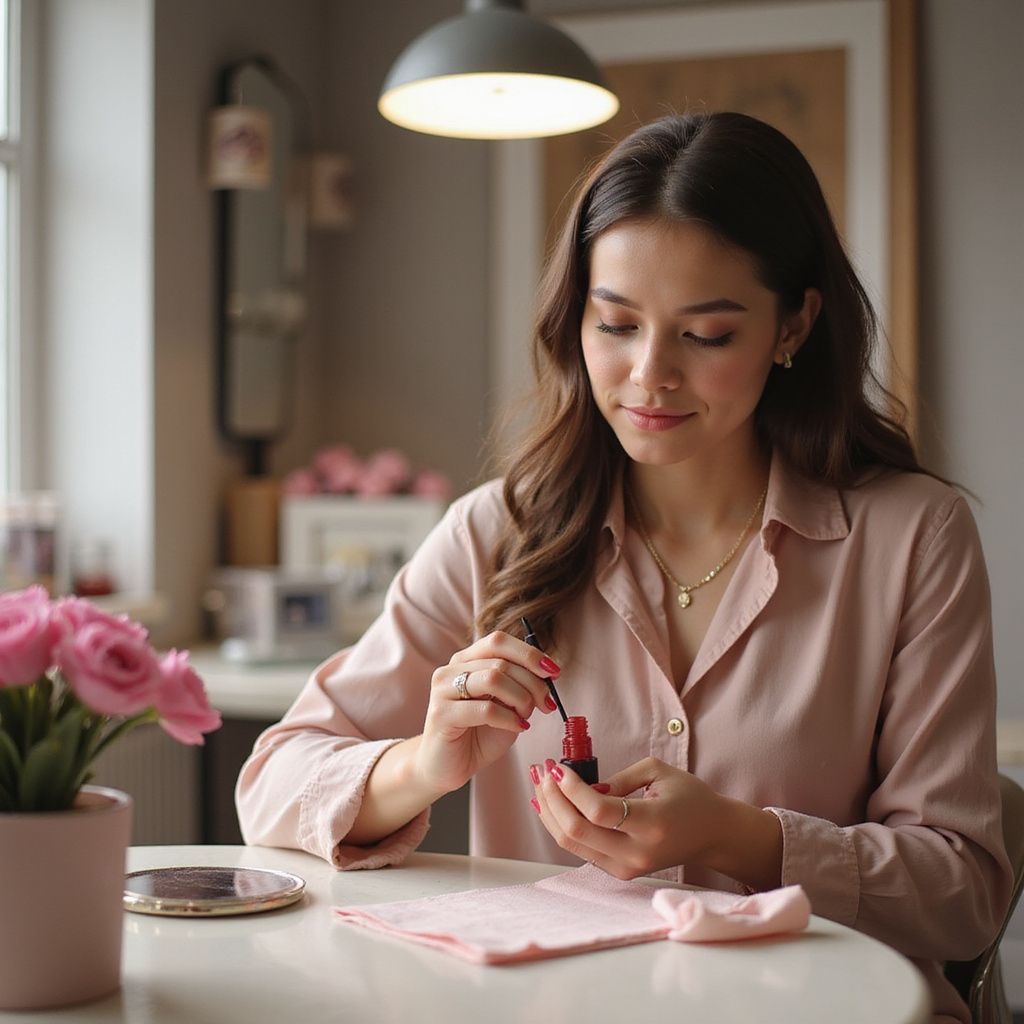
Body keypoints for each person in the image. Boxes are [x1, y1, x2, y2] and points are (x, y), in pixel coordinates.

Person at [236, 112, 1011, 1023]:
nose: (650, 375)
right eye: (616, 325)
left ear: (794, 324)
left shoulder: (914, 537)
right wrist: (423, 762)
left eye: (707, 335)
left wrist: (739, 837)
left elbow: (963, 892)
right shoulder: (497, 532)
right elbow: (274, 786)